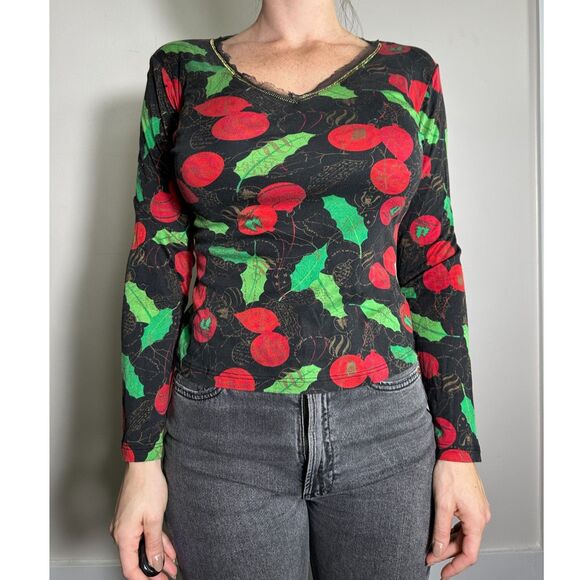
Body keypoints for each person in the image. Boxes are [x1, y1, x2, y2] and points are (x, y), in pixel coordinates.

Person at [110, 2, 491, 579]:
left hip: (386, 422)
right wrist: (141, 461)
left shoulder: (411, 72)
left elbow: (432, 258)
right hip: (221, 433)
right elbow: (156, 264)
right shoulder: (181, 69)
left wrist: (459, 449)